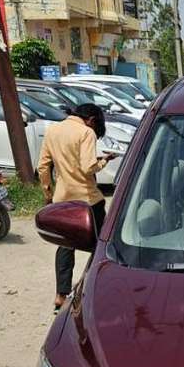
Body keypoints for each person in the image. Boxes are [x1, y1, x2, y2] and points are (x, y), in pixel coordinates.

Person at [38, 104, 114, 313]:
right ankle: (99, 287)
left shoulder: (53, 130)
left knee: (66, 245)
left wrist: (47, 193)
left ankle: (61, 295)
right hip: (88, 200)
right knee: (102, 243)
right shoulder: (86, 132)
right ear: (91, 119)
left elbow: (43, 166)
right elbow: (88, 167)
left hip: (62, 199)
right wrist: (104, 161)